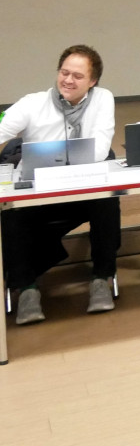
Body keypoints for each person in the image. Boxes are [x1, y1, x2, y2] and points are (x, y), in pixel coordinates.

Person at [0, 45, 119, 324]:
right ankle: (26, 289)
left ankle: (102, 278)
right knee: (10, 212)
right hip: (40, 197)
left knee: (107, 202)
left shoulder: (103, 99)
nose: (68, 80)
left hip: (80, 191)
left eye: (78, 76)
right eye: (64, 72)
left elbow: (101, 150)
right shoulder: (32, 103)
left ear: (92, 81)